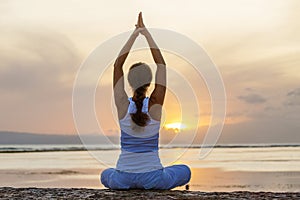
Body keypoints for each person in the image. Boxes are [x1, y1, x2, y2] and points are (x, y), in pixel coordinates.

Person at [100, 12, 191, 190]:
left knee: (105, 174)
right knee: (185, 170)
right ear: (149, 82)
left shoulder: (122, 104)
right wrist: (147, 34)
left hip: (123, 179)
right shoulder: (155, 104)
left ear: (130, 82)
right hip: (153, 179)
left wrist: (134, 35)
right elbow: (161, 65)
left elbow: (117, 65)